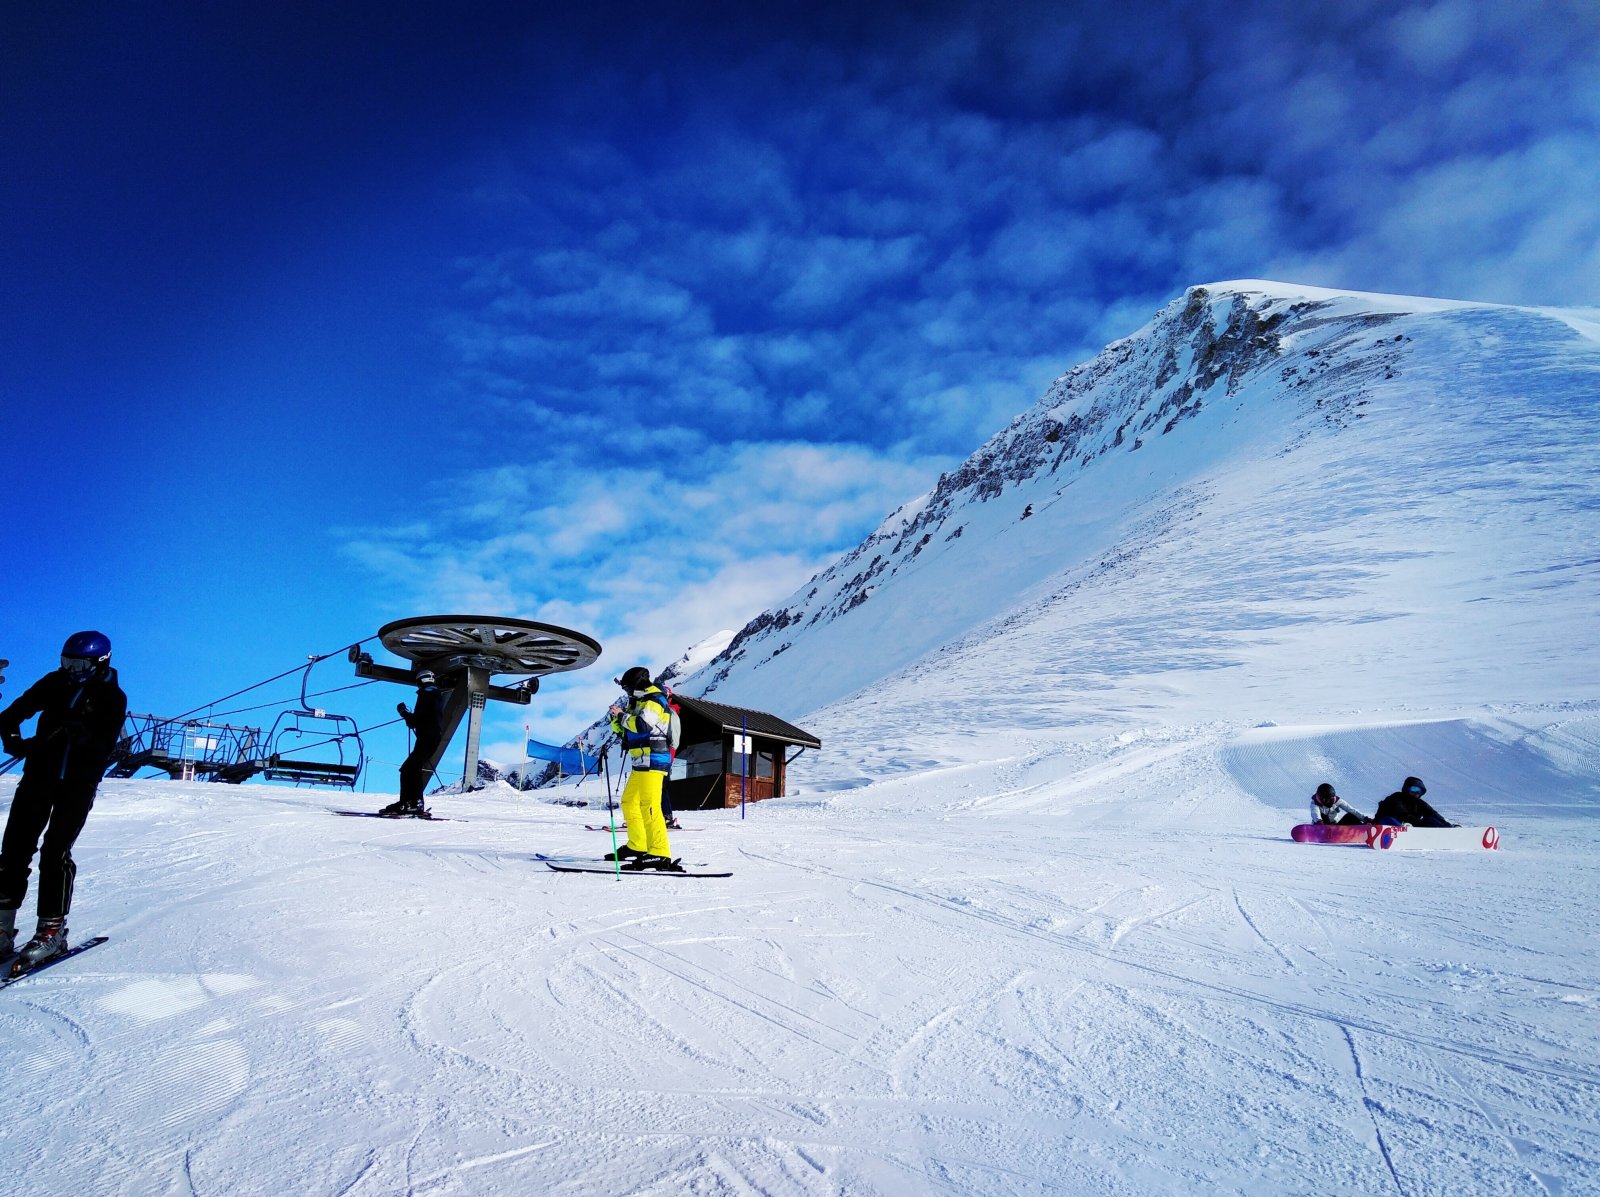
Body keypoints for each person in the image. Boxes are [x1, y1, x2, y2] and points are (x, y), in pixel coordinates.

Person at [0, 631, 128, 968]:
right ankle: (1, 928)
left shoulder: (112, 697)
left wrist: (82, 733)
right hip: (39, 776)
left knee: (55, 850)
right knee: (14, 848)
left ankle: (51, 931)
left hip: (77, 783)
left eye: (78, 664)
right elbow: (13, 714)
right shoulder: (55, 683)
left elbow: (104, 745)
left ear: (100, 662)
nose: (71, 670)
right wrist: (15, 740)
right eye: (66, 662)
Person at [606, 666, 680, 871]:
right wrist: (616, 720)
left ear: (637, 684)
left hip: (654, 760)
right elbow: (626, 732)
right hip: (640, 762)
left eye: (628, 688)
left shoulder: (655, 700)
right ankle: (638, 845)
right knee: (629, 801)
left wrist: (621, 716)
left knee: (650, 805)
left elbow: (642, 725)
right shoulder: (639, 701)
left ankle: (659, 852)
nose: (627, 693)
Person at [380, 669, 447, 817]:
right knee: (410, 768)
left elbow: (415, 720)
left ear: (420, 681)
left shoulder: (426, 694)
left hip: (427, 738)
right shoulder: (436, 694)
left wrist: (403, 712)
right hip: (431, 737)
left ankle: (413, 803)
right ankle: (410, 802)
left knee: (410, 768)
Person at [1373, 776, 1455, 828]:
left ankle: (1448, 831)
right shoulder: (1396, 798)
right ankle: (1403, 830)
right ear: (1407, 789)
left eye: (1419, 790)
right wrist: (1419, 824)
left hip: (1411, 825)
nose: (1416, 793)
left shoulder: (1419, 802)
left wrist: (1446, 825)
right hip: (1387, 824)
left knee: (1431, 820)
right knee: (1388, 819)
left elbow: (1432, 813)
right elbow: (1402, 814)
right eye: (1414, 789)